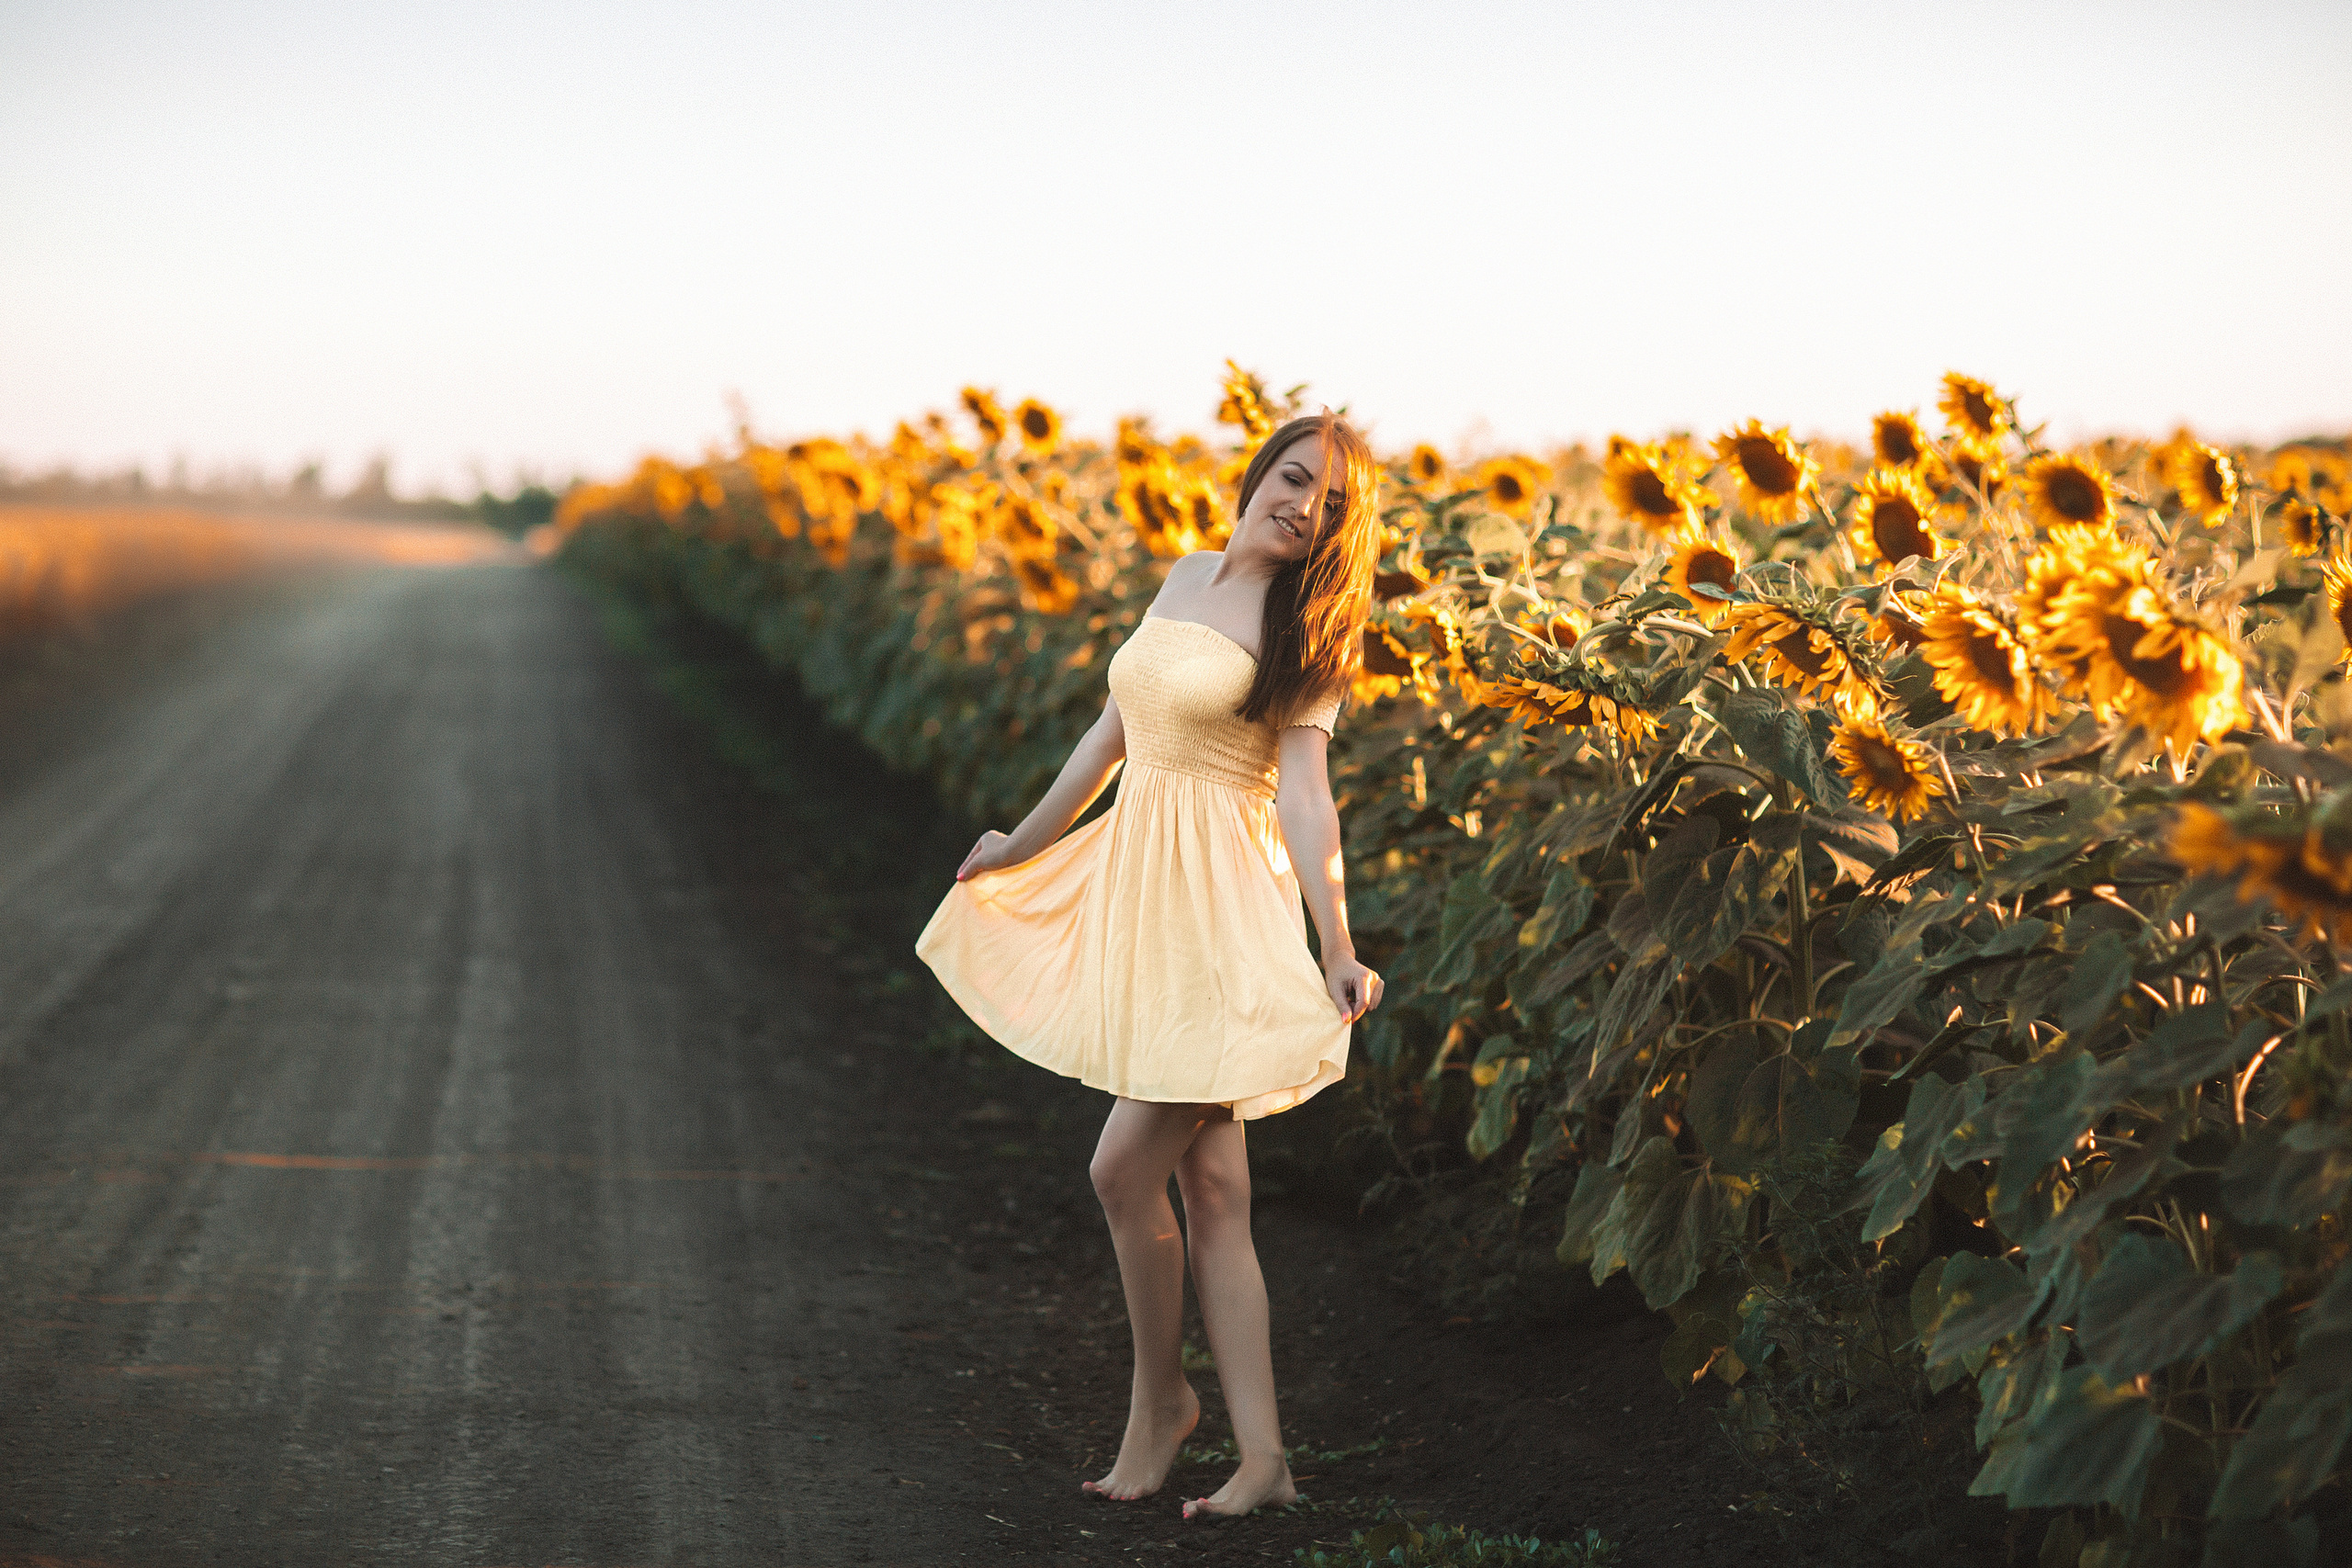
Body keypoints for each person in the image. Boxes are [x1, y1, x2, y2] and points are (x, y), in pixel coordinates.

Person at [916, 412, 1385, 1520]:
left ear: (1337, 528)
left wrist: (1337, 942)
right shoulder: (1182, 574)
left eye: (1326, 501)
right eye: (1291, 476)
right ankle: (1261, 1459)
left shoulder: (1304, 626)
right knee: (1213, 1192)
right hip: (1147, 894)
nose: (1299, 504)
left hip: (1223, 907)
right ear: (1259, 470)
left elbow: (1310, 800)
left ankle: (1161, 1399)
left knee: (1123, 1171)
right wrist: (1021, 840)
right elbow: (1110, 735)